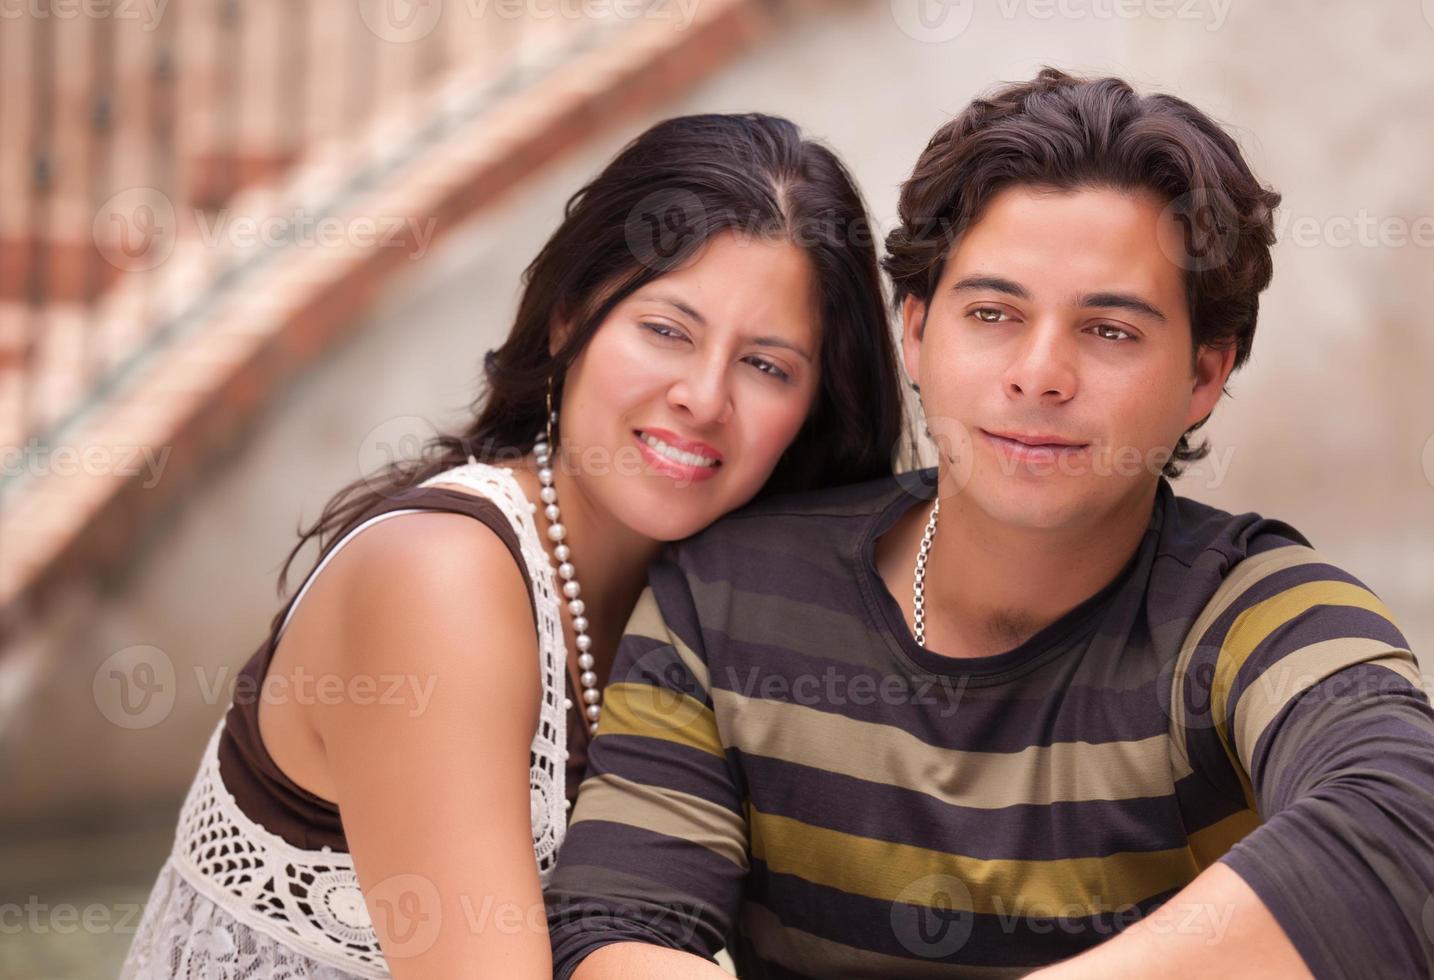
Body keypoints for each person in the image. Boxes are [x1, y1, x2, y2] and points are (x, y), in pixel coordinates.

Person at [544, 69, 1434, 979]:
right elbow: (614, 934)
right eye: (993, 314)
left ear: (1204, 377)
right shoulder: (727, 593)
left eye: (1111, 331)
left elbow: (1407, 824)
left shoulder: (1253, 610)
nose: (1039, 374)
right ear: (917, 336)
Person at [119, 112, 912, 978]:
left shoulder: (719, 606)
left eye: (766, 365)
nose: (703, 396)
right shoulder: (441, 578)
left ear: (812, 410)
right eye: (667, 329)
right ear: (569, 321)